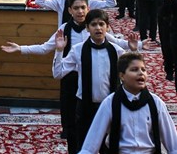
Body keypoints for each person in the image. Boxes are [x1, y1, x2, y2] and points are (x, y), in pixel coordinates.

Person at [52, 9, 140, 149]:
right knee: (84, 147)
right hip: (85, 108)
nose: (98, 28)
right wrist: (59, 50)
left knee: (110, 147)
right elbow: (58, 74)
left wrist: (134, 51)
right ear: (87, 28)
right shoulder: (78, 50)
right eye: (93, 24)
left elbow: (135, 78)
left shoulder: (116, 51)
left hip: (109, 108)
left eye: (101, 24)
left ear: (107, 27)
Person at [78, 52, 177, 154]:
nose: (140, 73)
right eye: (134, 70)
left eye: (143, 69)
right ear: (122, 76)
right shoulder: (110, 103)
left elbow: (174, 147)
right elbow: (90, 147)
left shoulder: (156, 103)